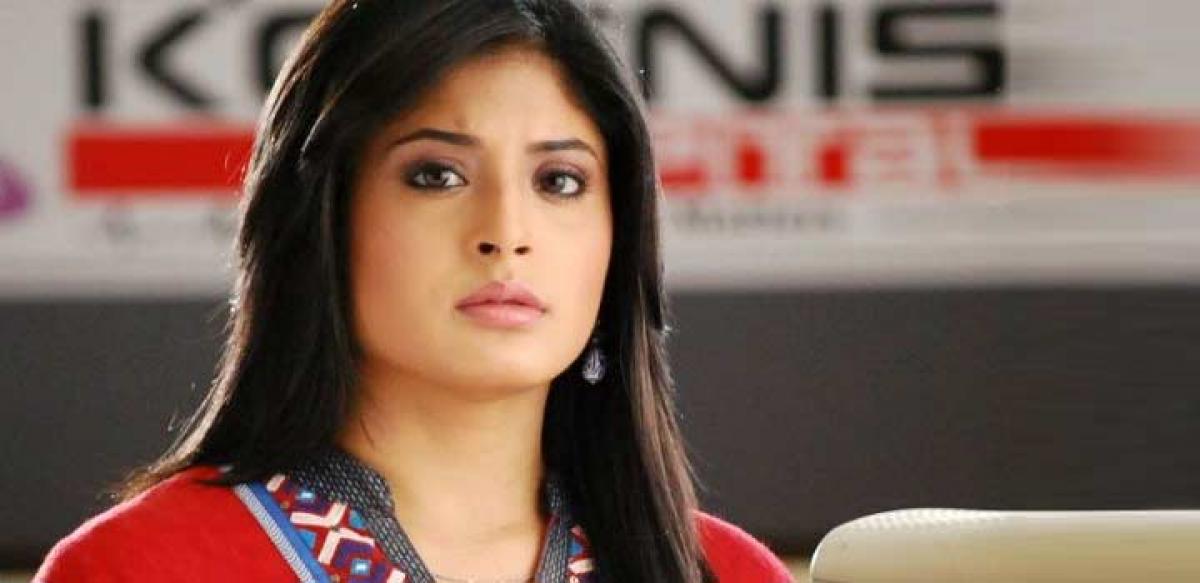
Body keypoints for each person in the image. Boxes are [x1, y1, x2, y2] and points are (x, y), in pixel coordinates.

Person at [35, 1, 794, 581]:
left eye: (559, 181)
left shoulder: (725, 572)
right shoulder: (142, 565)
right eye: (437, 175)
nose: (506, 232)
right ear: (323, 216)